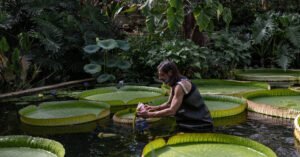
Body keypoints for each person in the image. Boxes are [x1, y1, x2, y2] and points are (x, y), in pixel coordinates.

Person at [137, 60, 213, 132]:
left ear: (170, 73)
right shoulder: (175, 83)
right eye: (159, 75)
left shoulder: (180, 86)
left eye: (162, 75)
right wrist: (153, 108)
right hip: (187, 124)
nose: (160, 78)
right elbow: (169, 104)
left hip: (200, 125)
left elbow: (172, 111)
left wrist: (150, 115)